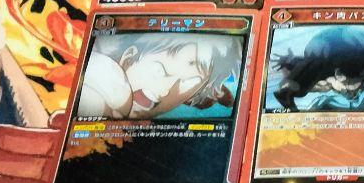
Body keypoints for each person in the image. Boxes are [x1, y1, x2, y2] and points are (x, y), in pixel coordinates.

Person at [77, 32, 241, 120]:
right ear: (129, 56)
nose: (164, 89)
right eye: (159, 70)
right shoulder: (101, 74)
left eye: (185, 83)